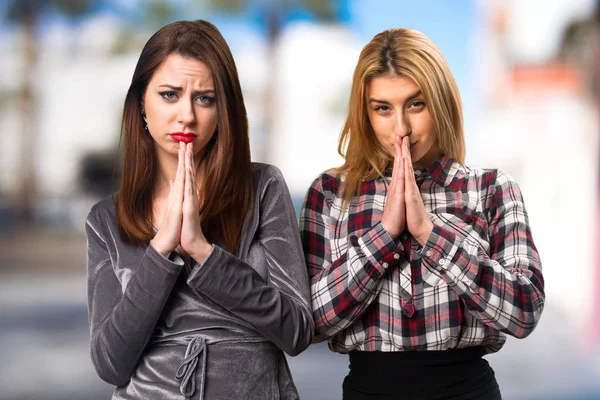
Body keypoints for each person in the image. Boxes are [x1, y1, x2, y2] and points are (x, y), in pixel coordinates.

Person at [299, 28, 544, 400]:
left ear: (441, 102)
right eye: (382, 108)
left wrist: (430, 233)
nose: (401, 129)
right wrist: (384, 235)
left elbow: (524, 311)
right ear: (364, 114)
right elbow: (309, 323)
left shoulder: (491, 189)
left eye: (416, 104)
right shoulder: (331, 194)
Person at [86, 20, 313, 399]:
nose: (187, 115)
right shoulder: (105, 219)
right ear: (141, 102)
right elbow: (110, 364)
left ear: (225, 109)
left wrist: (202, 251)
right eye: (170, 95)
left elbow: (297, 331)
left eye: (204, 98)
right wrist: (161, 251)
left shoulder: (263, 188)